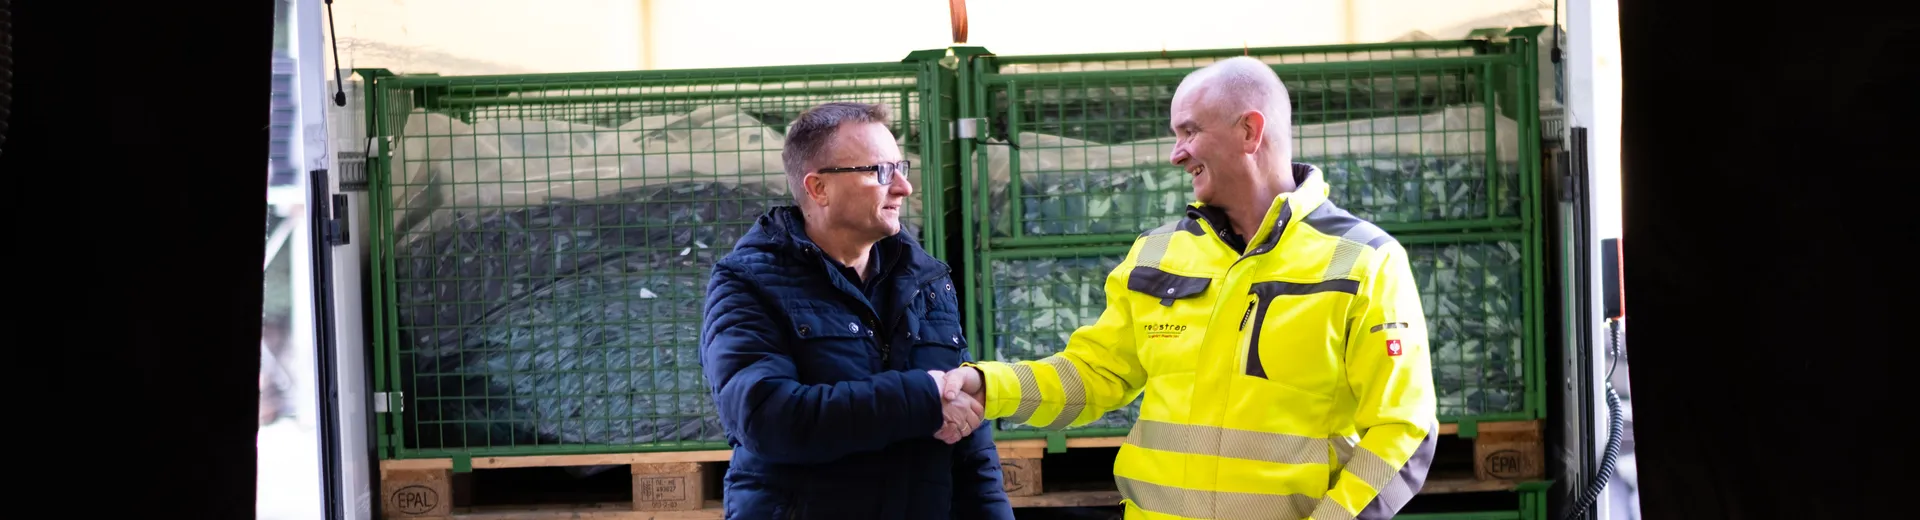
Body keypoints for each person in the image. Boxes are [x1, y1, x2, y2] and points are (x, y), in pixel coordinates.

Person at [943, 57, 1439, 520]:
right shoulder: (1157, 252)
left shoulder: (1366, 260)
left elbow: (1403, 430)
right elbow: (1094, 374)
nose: (1177, 153)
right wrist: (989, 387)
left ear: (1249, 130)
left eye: (1189, 131)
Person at [700, 102, 1012, 520]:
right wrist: (921, 397)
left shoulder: (926, 280)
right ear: (818, 189)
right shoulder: (749, 282)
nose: (904, 186)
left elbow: (968, 435)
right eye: (880, 172)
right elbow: (767, 418)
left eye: (901, 167)